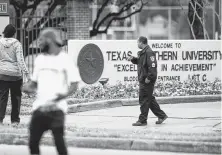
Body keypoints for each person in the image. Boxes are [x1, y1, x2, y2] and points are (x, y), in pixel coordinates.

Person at [22, 27, 80, 155]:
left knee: (59, 143)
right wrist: (27, 88)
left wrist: (63, 95)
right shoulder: (39, 59)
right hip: (40, 108)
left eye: (41, 40)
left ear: (49, 40)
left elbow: (74, 84)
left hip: (57, 109)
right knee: (33, 143)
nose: (39, 43)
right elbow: (34, 83)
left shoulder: (65, 59)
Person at [127, 36, 168, 126]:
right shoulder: (144, 52)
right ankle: (162, 116)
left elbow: (152, 66)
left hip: (147, 80)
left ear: (142, 42)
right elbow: (140, 62)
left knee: (144, 99)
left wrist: (149, 78)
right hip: (143, 79)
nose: (137, 44)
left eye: (138, 42)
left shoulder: (149, 52)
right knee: (149, 99)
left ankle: (142, 120)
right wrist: (133, 59)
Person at [0, 24, 30, 126]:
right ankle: (15, 121)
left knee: (2, 97)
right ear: (14, 33)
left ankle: (0, 120)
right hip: (15, 76)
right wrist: (26, 73)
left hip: (2, 74)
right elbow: (20, 60)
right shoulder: (17, 44)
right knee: (16, 98)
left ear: (4, 32)